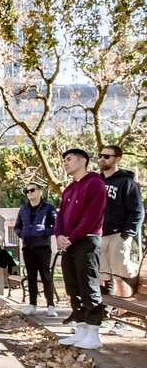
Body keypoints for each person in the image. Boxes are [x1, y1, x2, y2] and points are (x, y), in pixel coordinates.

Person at [55, 148, 107, 350]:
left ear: (82, 160)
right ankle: (81, 328)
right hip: (68, 243)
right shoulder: (68, 189)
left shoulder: (95, 183)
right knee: (72, 286)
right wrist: (59, 235)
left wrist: (72, 236)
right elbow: (60, 216)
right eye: (64, 160)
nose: (65, 163)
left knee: (88, 285)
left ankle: (94, 332)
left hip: (87, 240)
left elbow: (92, 216)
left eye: (68, 159)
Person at [98, 145, 145, 336]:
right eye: (100, 155)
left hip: (119, 233)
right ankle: (103, 315)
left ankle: (122, 321)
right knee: (102, 276)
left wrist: (128, 234)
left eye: (106, 156)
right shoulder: (96, 182)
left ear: (117, 158)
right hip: (100, 234)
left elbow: (137, 211)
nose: (102, 158)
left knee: (120, 276)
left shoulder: (126, 183)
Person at [14, 183, 57, 317]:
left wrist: (44, 232)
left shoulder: (49, 208)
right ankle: (32, 304)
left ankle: (51, 305)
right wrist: (22, 234)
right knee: (31, 277)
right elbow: (17, 227)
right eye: (27, 191)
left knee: (45, 276)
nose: (29, 193)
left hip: (43, 247)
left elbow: (57, 225)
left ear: (39, 191)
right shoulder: (23, 209)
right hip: (27, 247)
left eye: (32, 190)